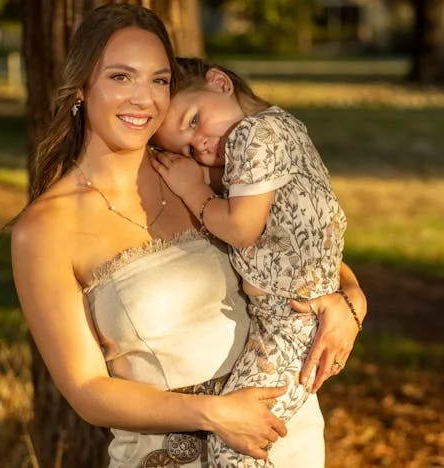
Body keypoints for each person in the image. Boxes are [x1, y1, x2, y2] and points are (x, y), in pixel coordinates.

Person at [10, 4, 367, 468]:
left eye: (159, 80)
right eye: (121, 77)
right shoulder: (44, 230)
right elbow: (86, 390)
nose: (144, 99)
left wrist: (351, 304)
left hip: (287, 439)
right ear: (82, 88)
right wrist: (214, 415)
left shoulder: (203, 173)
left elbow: (307, 246)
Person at [150, 58, 360, 467]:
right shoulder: (285, 126)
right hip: (298, 316)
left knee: (235, 444)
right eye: (190, 149)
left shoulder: (253, 134)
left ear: (220, 83)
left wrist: (194, 190)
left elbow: (242, 228)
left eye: (194, 121)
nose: (203, 146)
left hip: (290, 321)